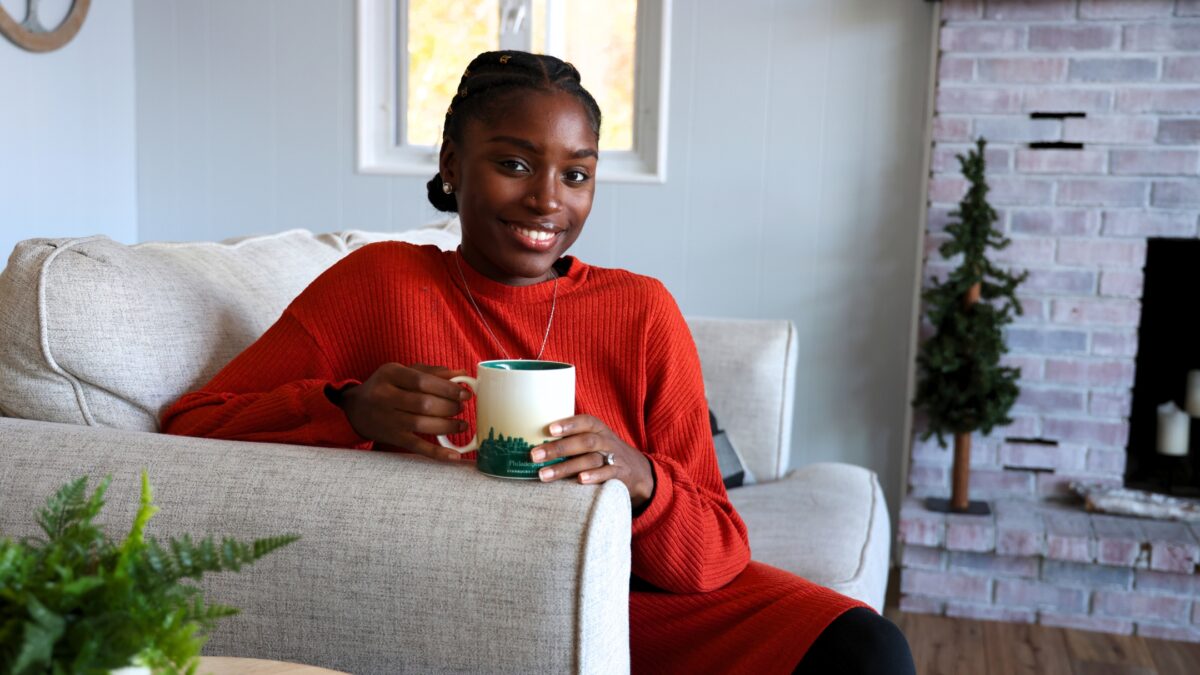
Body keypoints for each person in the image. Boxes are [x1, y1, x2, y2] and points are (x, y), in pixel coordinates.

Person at [162, 50, 915, 675]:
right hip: (466, 600)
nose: (547, 200)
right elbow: (192, 425)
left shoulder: (642, 310)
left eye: (576, 175)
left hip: (635, 600)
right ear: (452, 165)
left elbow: (716, 548)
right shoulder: (379, 282)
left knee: (866, 648)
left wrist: (639, 477)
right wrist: (349, 409)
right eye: (515, 164)